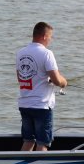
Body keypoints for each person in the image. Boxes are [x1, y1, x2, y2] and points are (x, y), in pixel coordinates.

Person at [16, 22, 67, 151]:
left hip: (25, 104)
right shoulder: (47, 53)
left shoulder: (20, 53)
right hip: (41, 106)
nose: (51, 40)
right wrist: (64, 82)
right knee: (42, 143)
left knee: (28, 141)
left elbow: (21, 78)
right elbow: (56, 80)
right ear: (44, 36)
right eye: (50, 37)